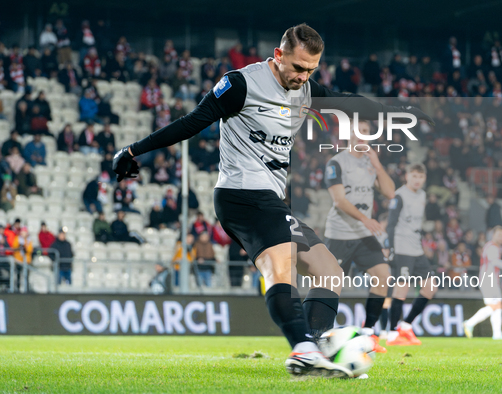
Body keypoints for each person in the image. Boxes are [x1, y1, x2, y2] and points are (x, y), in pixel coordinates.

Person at [113, 23, 432, 378]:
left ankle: (315, 343)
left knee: (329, 269)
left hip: (270, 199)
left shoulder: (306, 90)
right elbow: (192, 123)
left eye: (311, 70)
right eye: (298, 67)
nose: (303, 77)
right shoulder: (241, 84)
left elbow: (346, 102)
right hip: (241, 195)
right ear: (278, 56)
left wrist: (398, 110)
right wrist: (132, 150)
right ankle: (303, 349)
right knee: (281, 268)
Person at [324, 119, 393, 350]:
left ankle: (369, 333)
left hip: (363, 235)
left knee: (383, 275)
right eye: (359, 131)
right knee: (331, 285)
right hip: (340, 233)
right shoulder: (336, 162)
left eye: (366, 132)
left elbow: (391, 192)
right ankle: (322, 333)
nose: (363, 135)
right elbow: (339, 201)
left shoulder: (369, 164)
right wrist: (366, 219)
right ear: (349, 134)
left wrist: (378, 165)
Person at [385, 163, 438, 346]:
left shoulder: (422, 195)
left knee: (431, 286)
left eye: (421, 177)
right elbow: (391, 224)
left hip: (416, 247)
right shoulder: (399, 196)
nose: (417, 180)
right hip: (402, 247)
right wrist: (389, 248)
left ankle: (406, 326)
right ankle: (392, 333)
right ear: (407, 176)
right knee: (402, 289)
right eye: (414, 176)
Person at [463, 226, 502, 340]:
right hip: (487, 280)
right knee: (493, 306)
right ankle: (470, 323)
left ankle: (497, 333)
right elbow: (495, 262)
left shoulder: (495, 247)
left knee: (498, 305)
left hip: (492, 280)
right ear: (493, 235)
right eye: (499, 235)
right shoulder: (491, 247)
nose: (501, 238)